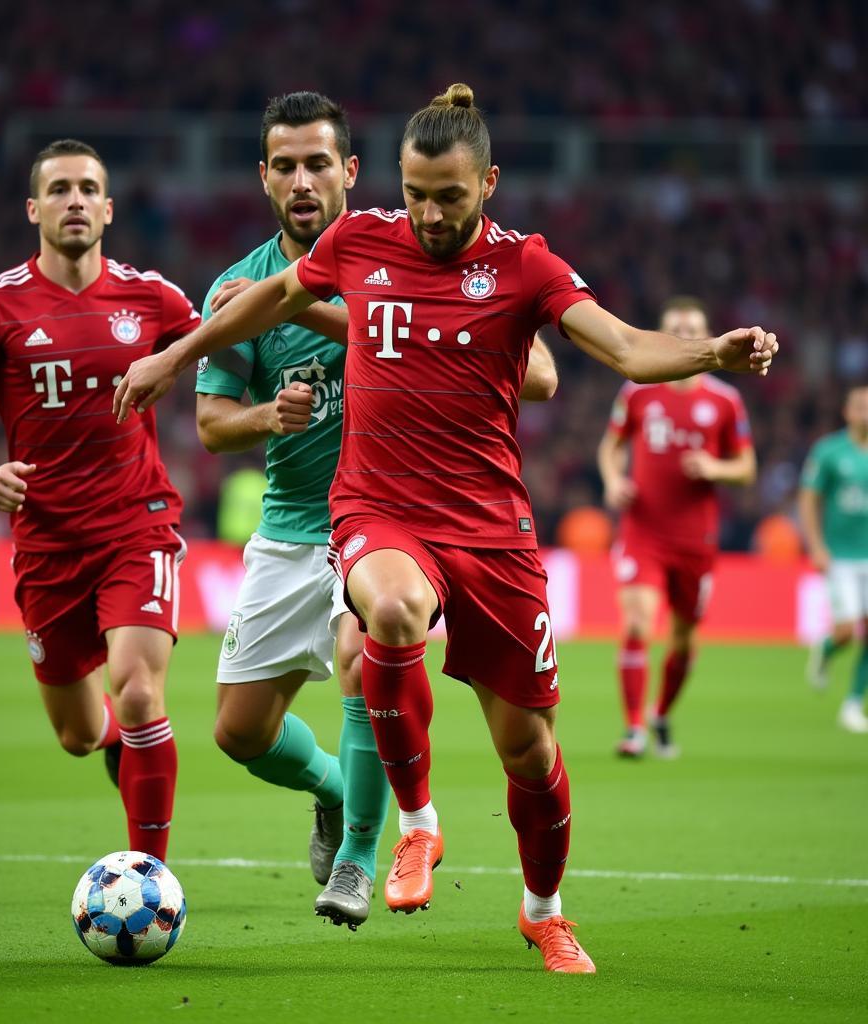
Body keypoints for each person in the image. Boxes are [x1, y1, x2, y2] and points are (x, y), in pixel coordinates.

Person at [113, 84, 777, 973]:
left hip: (492, 531)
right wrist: (174, 354)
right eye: (415, 191)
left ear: (489, 182)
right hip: (380, 511)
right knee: (386, 616)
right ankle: (414, 826)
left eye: (449, 196)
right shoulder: (359, 241)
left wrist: (709, 353)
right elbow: (264, 298)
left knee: (531, 755)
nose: (427, 213)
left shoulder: (527, 267)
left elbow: (620, 347)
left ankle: (544, 911)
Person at [196, 91, 560, 930]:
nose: (302, 180)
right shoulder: (238, 288)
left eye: (318, 163)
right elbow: (214, 425)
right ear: (263, 178)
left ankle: (363, 854)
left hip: (395, 518)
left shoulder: (411, 256)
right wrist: (264, 416)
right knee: (240, 732)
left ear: (353, 173)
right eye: (284, 165)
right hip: (294, 521)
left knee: (373, 642)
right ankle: (330, 788)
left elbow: (538, 376)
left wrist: (353, 319)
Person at [0, 139, 200, 864]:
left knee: (139, 693)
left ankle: (151, 879)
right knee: (80, 734)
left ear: (108, 209)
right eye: (59, 189)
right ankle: (112, 741)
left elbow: (217, 344)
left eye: (87, 189)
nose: (74, 200)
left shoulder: (153, 296)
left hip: (138, 524)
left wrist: (194, 360)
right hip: (46, 542)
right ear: (34, 208)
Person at [596, 297, 757, 758]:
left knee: (684, 640)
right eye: (675, 326)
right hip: (643, 531)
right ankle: (633, 729)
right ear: (663, 333)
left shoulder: (725, 401)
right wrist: (613, 480)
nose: (684, 331)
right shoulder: (638, 391)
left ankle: (661, 713)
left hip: (696, 538)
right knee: (636, 622)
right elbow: (611, 447)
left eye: (693, 325)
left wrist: (714, 467)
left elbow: (746, 468)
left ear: (707, 333)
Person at [797, 384, 868, 733]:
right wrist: (816, 545)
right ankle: (826, 650)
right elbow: (809, 499)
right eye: (860, 406)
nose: (865, 412)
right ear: (847, 412)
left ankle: (854, 704)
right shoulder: (829, 451)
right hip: (840, 555)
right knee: (845, 633)